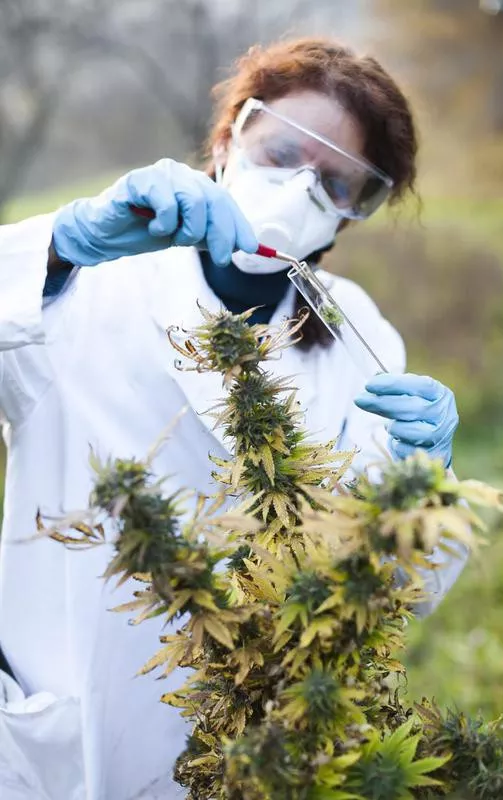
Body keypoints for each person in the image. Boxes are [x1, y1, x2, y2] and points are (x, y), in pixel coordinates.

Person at [0, 38, 463, 799]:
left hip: (248, 752)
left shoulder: (364, 339)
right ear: (226, 141)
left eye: (338, 183)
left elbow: (381, 596)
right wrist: (57, 249)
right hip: (57, 747)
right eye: (282, 154)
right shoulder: (90, 282)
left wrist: (423, 489)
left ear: (352, 214)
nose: (301, 189)